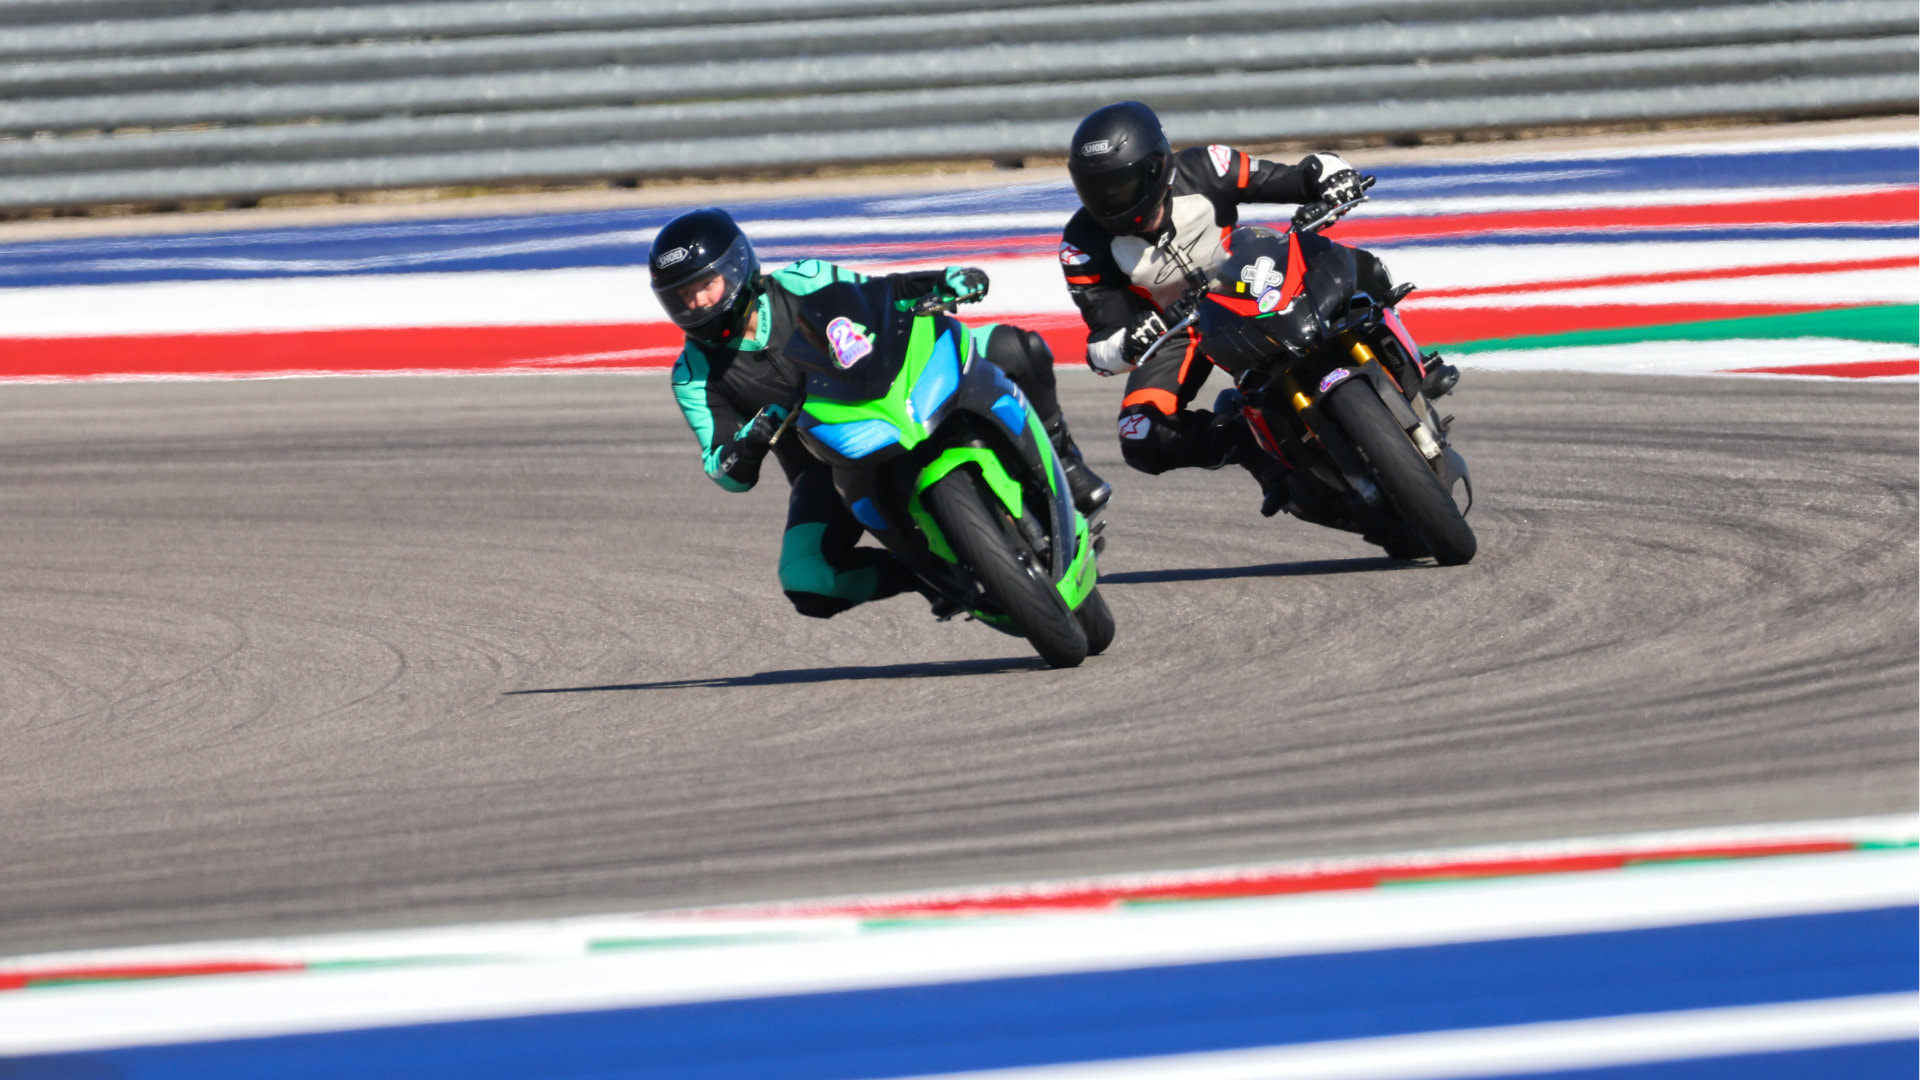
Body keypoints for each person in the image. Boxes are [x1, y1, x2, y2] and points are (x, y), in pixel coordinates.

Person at [653, 207, 1110, 620]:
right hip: (826, 461)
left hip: (892, 387)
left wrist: (941, 281)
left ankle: (1066, 461)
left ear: (736, 270)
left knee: (1018, 347)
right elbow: (723, 468)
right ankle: (923, 574)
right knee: (807, 580)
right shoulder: (693, 375)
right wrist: (753, 438)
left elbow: (876, 296)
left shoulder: (801, 279)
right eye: (682, 297)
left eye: (705, 286)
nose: (696, 304)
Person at [1059, 100, 1406, 502]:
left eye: (1121, 186)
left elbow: (1302, 175)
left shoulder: (1207, 167)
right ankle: (1245, 442)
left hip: (1252, 274)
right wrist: (1129, 341)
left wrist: (1333, 178)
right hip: (1178, 329)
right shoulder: (1081, 244)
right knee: (1141, 435)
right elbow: (1103, 344)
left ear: (1156, 166)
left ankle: (1395, 346)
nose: (1112, 200)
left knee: (1341, 260)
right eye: (1098, 189)